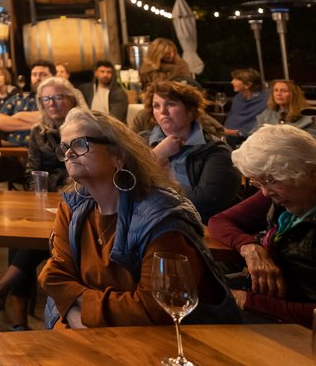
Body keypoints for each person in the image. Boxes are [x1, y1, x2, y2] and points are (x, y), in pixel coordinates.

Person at [39, 107, 239, 329]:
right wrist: (79, 317)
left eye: (80, 144)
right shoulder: (72, 207)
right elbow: (53, 277)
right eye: (65, 147)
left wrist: (77, 313)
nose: (68, 153)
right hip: (92, 337)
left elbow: (155, 309)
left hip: (169, 344)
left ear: (119, 156)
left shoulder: (161, 218)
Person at [0, 76, 82, 328]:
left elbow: (80, 171)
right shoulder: (38, 132)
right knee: (23, 239)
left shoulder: (82, 129)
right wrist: (39, 194)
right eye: (46, 99)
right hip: (47, 204)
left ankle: (1, 295)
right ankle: (15, 319)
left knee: (34, 240)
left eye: (58, 97)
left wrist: (59, 189)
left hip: (79, 202)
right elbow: (32, 170)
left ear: (71, 99)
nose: (52, 103)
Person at [208, 124, 316, 326]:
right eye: (260, 183)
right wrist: (250, 247)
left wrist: (248, 301)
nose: (265, 193)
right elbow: (219, 221)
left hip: (293, 327)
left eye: (272, 181)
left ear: (311, 173)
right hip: (264, 303)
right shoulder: (285, 192)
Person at [142, 80, 239, 222]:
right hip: (148, 223)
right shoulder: (141, 142)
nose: (162, 111)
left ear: (190, 110)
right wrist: (156, 155)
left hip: (198, 228)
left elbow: (206, 203)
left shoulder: (216, 151)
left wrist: (154, 193)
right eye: (156, 106)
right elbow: (121, 188)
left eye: (171, 104)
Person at [0, 60, 52, 148]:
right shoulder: (19, 98)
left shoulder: (57, 100)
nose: (37, 78)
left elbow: (53, 119)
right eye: (34, 74)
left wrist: (18, 116)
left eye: (43, 74)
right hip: (13, 151)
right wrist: (38, 124)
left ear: (53, 77)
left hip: (46, 153)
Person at [225, 68, 268, 147]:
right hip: (229, 137)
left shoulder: (265, 99)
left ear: (248, 84)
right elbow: (232, 119)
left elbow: (260, 125)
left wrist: (235, 132)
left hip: (252, 141)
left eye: (236, 79)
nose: (232, 82)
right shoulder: (237, 98)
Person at [81, 59, 129, 125]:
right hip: (89, 125)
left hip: (111, 128)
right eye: (102, 71)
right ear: (96, 73)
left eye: (109, 72)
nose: (105, 74)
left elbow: (115, 118)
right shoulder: (86, 89)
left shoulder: (119, 93)